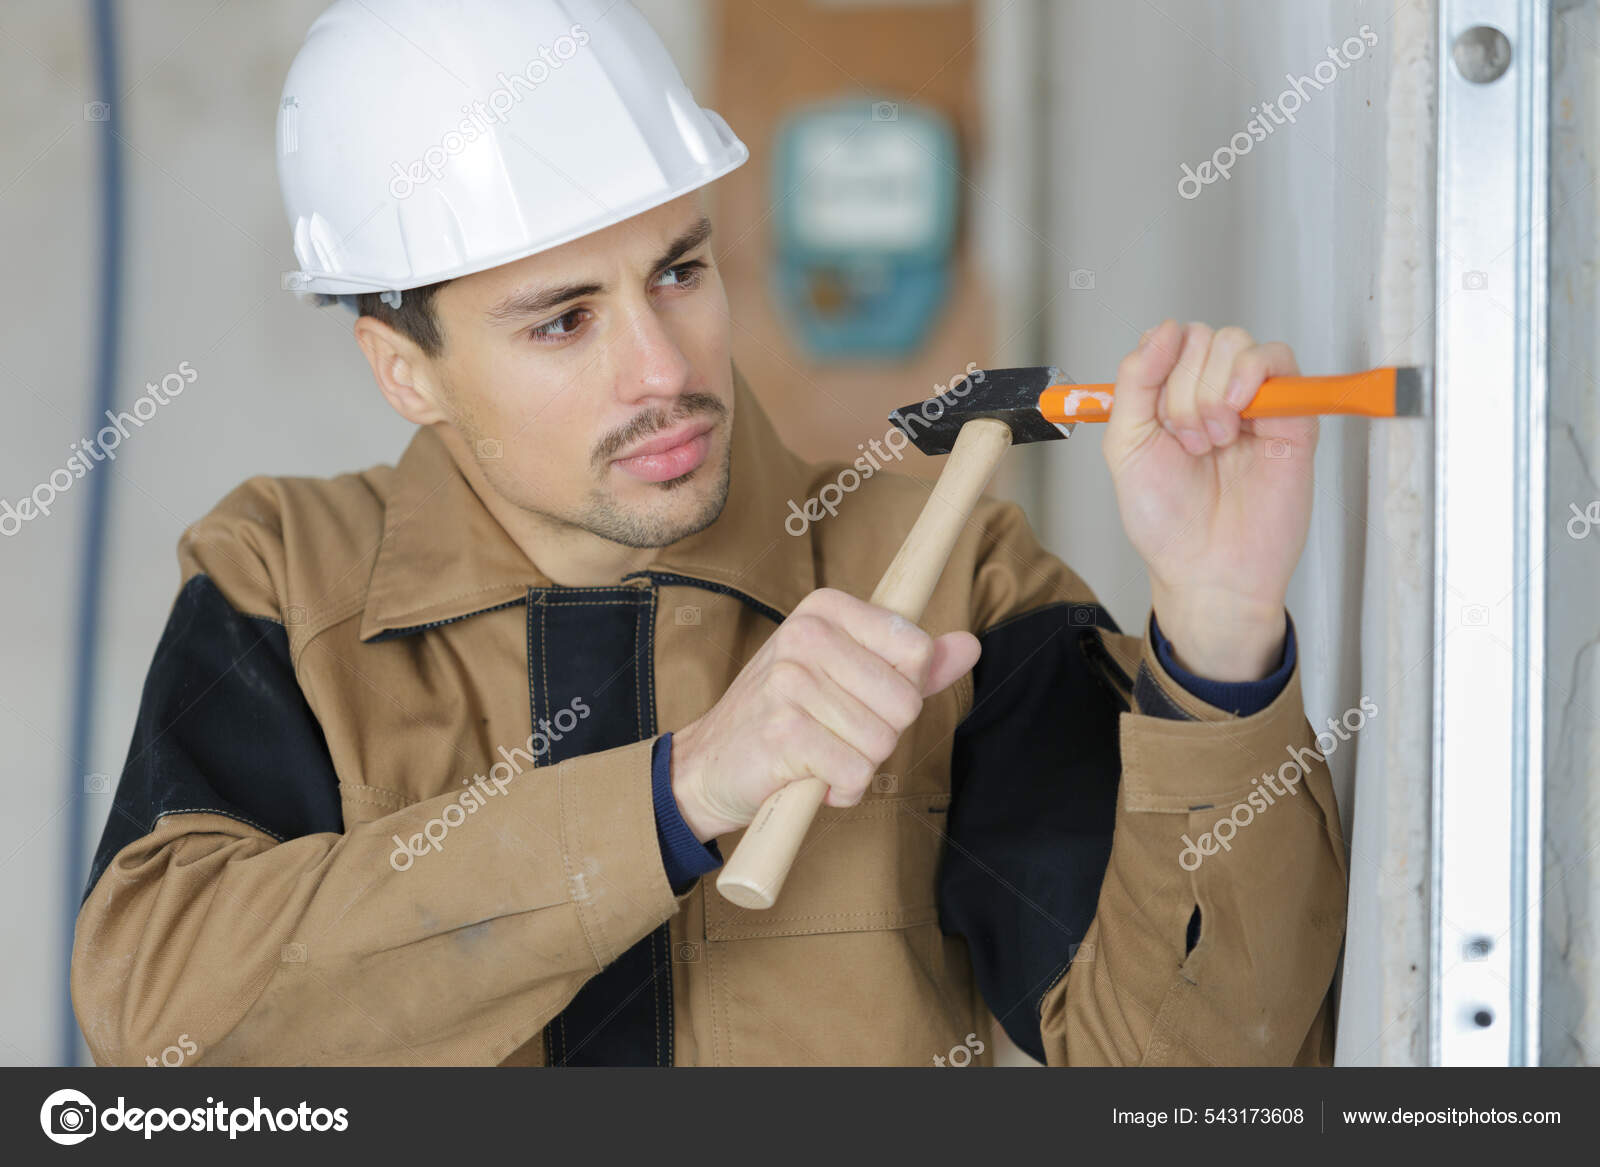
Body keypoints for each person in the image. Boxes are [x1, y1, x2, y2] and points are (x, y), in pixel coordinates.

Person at [70, 0, 1345, 1067]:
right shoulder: (286, 580)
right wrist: (678, 791)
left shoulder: (944, 581)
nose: (665, 370)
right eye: (563, 321)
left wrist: (1219, 635)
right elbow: (163, 1019)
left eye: (679, 270)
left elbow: (1194, 1073)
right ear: (405, 369)